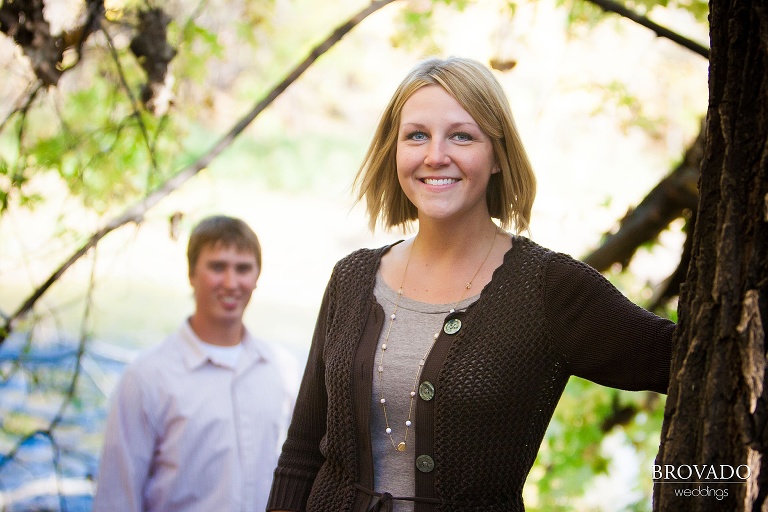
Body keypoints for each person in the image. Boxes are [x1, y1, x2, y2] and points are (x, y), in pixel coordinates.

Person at [266, 57, 674, 512]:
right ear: (394, 151)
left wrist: (705, 488)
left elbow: (693, 361)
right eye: (416, 135)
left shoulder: (546, 289)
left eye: (462, 135)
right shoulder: (352, 278)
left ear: (498, 155)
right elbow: (302, 451)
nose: (435, 155)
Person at [93, 215, 299, 512]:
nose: (231, 283)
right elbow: (117, 496)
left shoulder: (283, 371)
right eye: (217, 267)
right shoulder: (147, 376)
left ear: (257, 277)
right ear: (191, 273)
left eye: (243, 269)